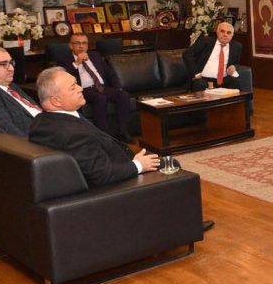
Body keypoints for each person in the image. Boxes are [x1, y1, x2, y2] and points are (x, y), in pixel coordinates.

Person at [28, 68, 214, 230]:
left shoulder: (41, 122)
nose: (80, 88)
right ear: (56, 101)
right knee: (170, 164)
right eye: (73, 87)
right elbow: (102, 175)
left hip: (109, 168)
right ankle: (186, 225)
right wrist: (138, 166)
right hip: (114, 184)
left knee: (160, 160)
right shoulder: (70, 134)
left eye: (76, 83)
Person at [56, 33, 133, 141]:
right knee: (100, 98)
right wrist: (77, 63)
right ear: (71, 46)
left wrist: (118, 87)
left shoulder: (95, 55)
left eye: (84, 43)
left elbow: (110, 73)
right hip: (84, 90)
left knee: (123, 95)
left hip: (102, 87)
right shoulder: (64, 60)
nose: (81, 46)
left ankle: (123, 131)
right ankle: (104, 134)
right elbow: (64, 77)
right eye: (77, 43)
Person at [184, 21, 243, 90]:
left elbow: (236, 63)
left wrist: (234, 67)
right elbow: (187, 54)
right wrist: (196, 73)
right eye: (222, 31)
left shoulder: (236, 46)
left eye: (228, 33)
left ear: (232, 35)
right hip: (203, 79)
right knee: (199, 84)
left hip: (224, 79)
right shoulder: (205, 41)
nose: (225, 34)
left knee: (236, 83)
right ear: (217, 32)